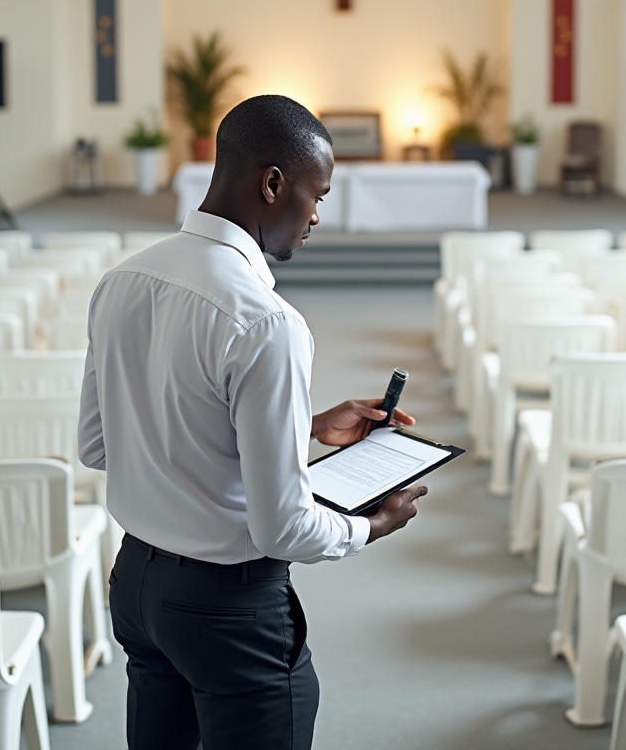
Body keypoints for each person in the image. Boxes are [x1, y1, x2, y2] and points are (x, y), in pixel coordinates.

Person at [78, 94, 427, 750]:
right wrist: (373, 524)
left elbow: (100, 446)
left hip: (136, 587)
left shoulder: (122, 281)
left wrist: (303, 424)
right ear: (272, 183)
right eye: (315, 194)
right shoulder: (268, 322)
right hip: (228, 610)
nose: (317, 216)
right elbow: (284, 527)